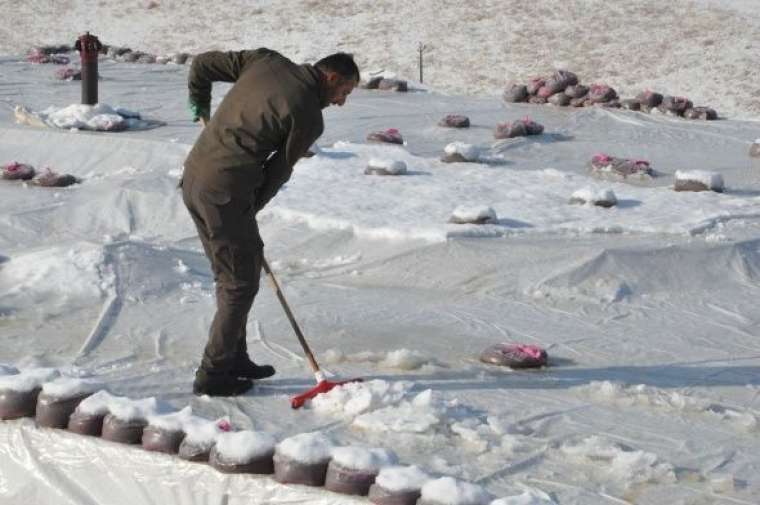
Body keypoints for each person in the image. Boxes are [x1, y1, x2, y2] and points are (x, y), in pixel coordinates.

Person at [181, 49, 359, 396]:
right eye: (345, 93)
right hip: (225, 192)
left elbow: (202, 65)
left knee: (232, 275)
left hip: (193, 179)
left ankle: (235, 357)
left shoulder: (266, 61)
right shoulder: (308, 115)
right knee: (239, 284)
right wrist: (247, 209)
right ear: (332, 78)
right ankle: (213, 374)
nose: (341, 103)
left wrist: (198, 102)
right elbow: (277, 172)